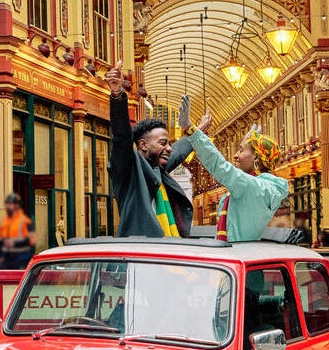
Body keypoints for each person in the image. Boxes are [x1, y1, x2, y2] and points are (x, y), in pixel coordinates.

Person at [106, 60, 211, 237]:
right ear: (143, 145)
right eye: (163, 143)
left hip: (165, 257)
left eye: (169, 144)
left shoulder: (156, 169)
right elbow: (121, 138)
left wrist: (197, 132)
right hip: (140, 258)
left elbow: (178, 152)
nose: (169, 149)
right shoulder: (128, 170)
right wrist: (117, 95)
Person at [182, 99, 289, 242]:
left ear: (256, 158)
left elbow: (219, 165)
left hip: (237, 253)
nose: (235, 155)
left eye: (241, 150)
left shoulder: (252, 187)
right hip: (240, 253)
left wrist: (192, 131)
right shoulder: (262, 187)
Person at [0, 193, 36, 269]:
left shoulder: (25, 221)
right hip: (6, 260)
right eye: (7, 204)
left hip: (21, 259)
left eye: (10, 204)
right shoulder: (3, 221)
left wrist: (14, 243)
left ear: (17, 205)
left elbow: (31, 240)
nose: (7, 206)